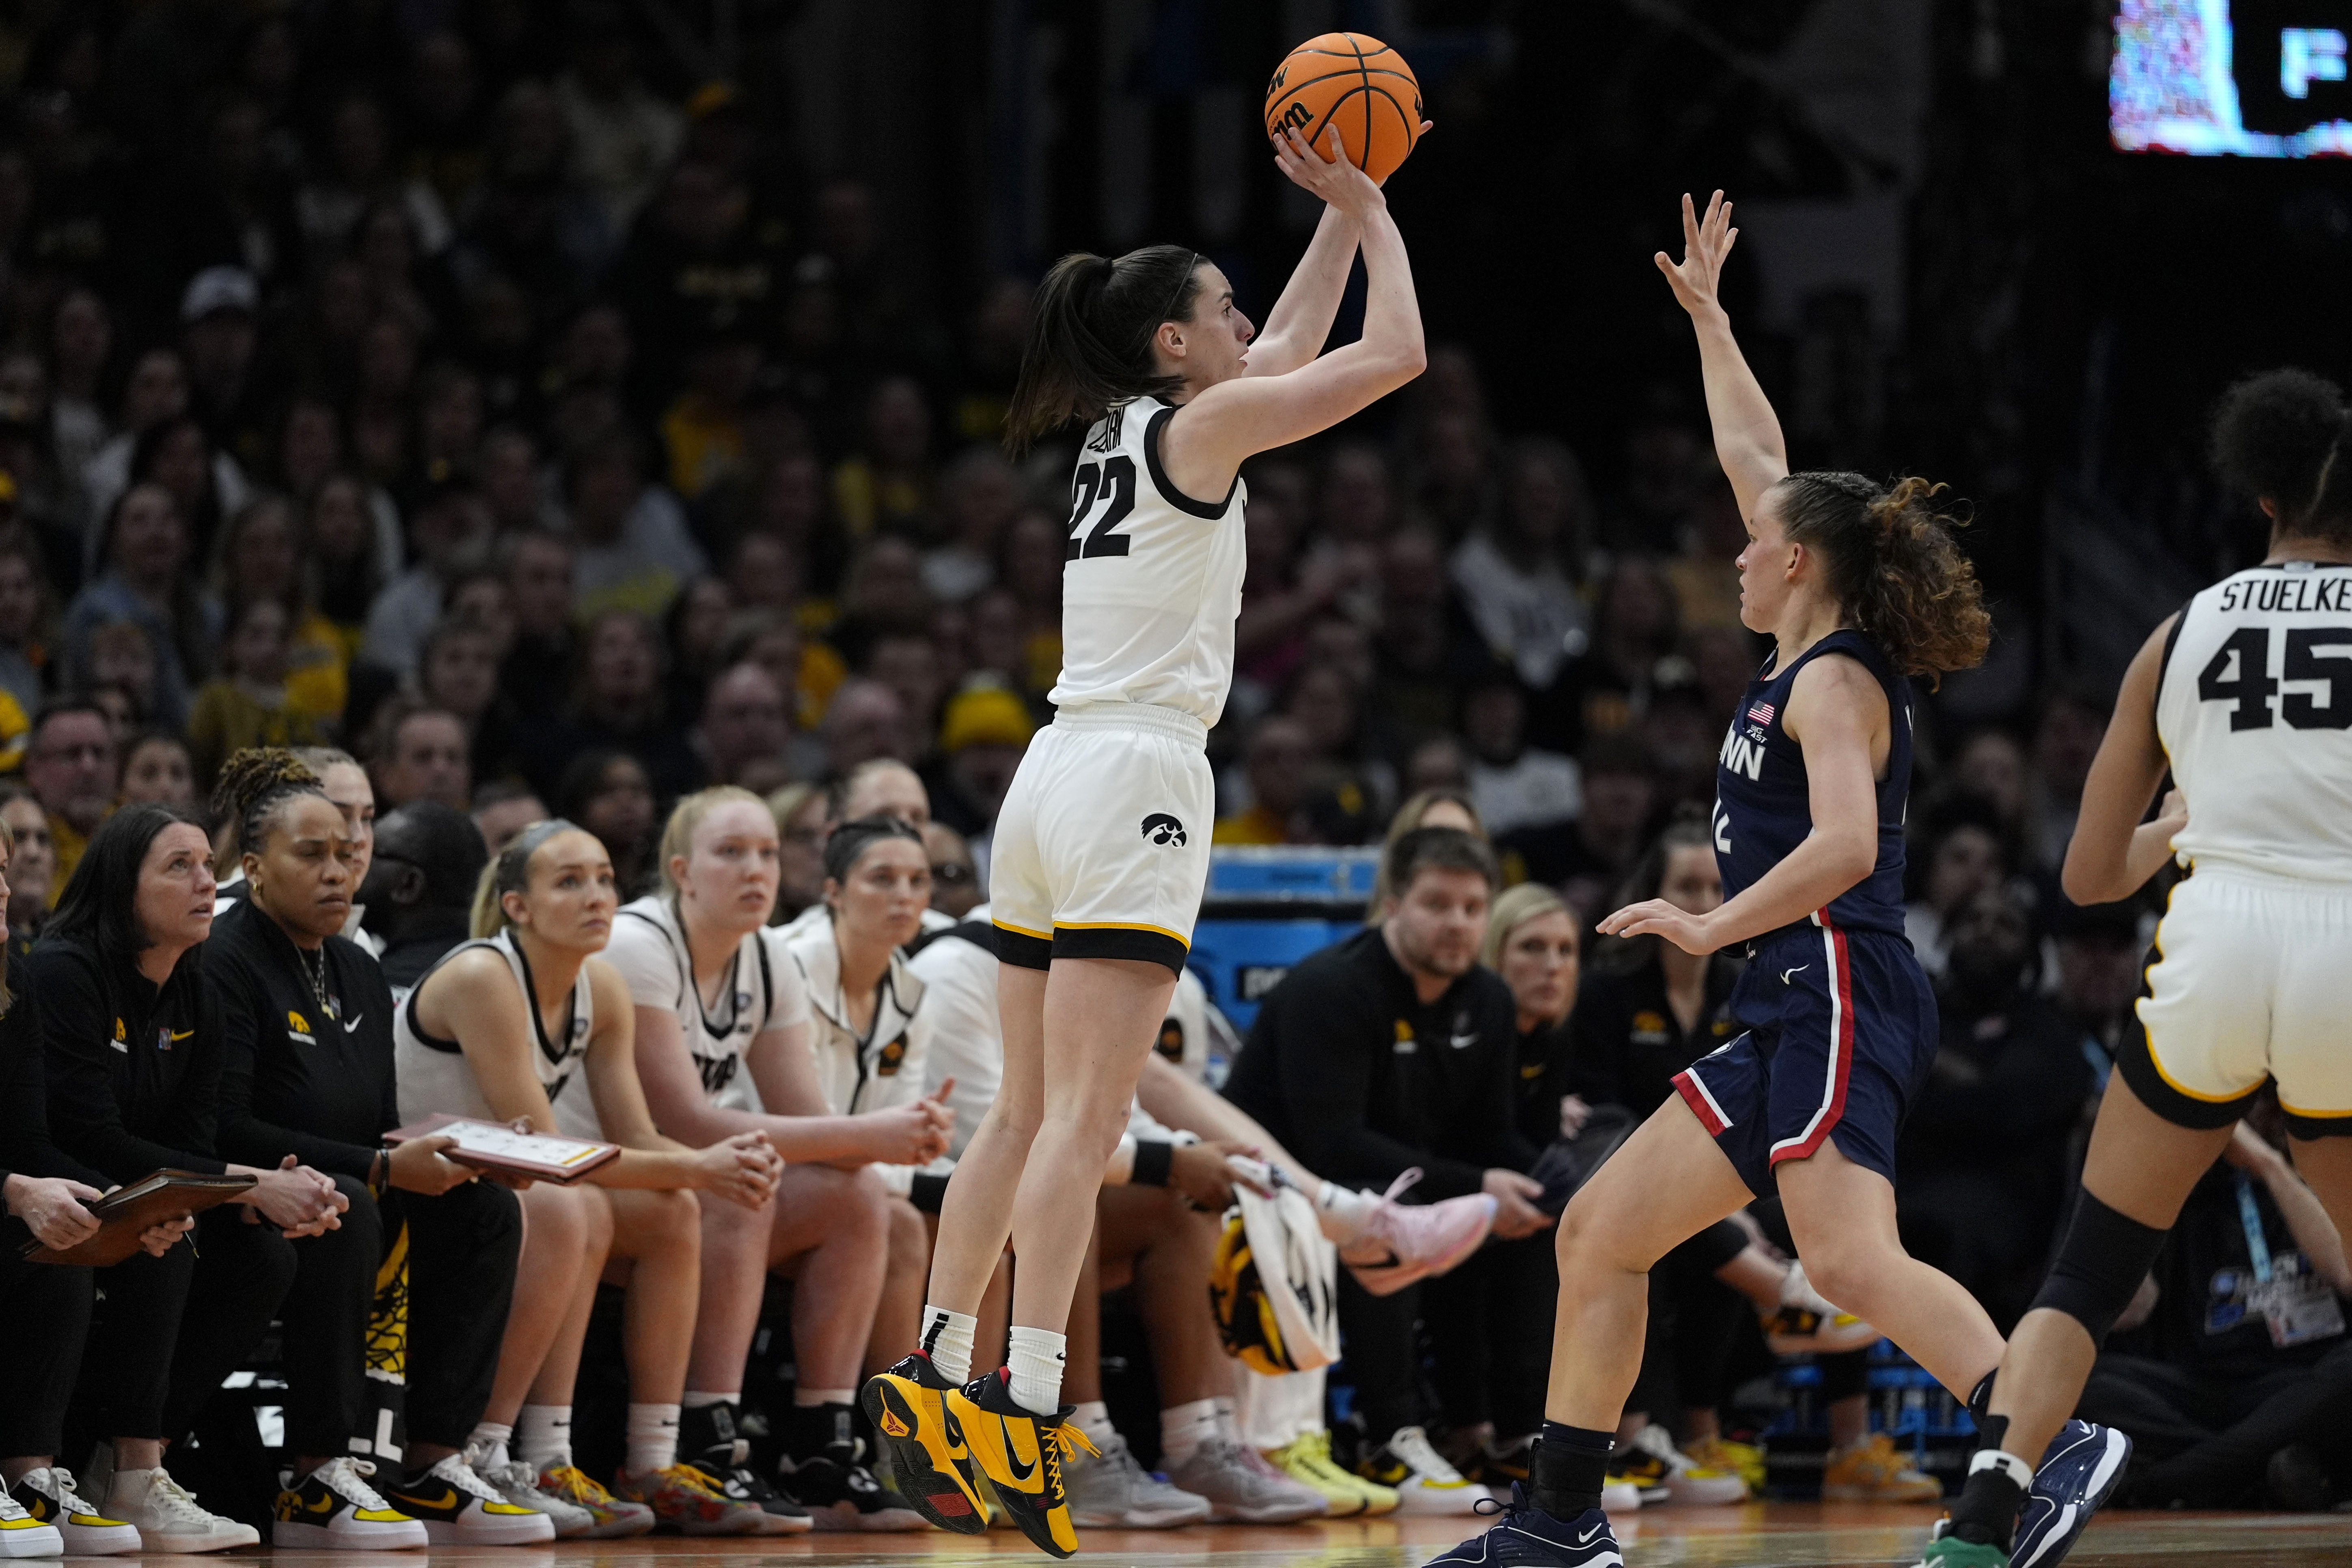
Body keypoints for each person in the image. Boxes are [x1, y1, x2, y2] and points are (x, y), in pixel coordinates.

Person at [1429, 192, 2105, 1568]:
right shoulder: (1807, 634)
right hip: (1791, 999)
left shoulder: (1840, 681)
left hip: (1837, 982)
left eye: (1752, 539)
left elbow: (1848, 848)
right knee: (1604, 1230)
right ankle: (1557, 1524)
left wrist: (1706, 922)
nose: (1731, 547)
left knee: (1847, 1260)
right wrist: (1710, 319)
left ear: (1795, 562)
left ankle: (2040, 1441)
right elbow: (1759, 454)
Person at [867, 115, 1433, 1556]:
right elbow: (1385, 362)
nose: (1244, 322)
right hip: (1135, 780)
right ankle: (1032, 1402)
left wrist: (1332, 214)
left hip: (1049, 775)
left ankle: (941, 1367)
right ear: (1173, 345)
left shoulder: (1133, 426)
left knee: (1015, 1112)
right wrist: (1373, 216)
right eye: (1221, 309)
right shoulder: (1202, 421)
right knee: (1078, 1120)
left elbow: (1289, 342)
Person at [1935, 369, 2352, 1565]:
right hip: (2340, 949)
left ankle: (1978, 1526)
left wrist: (2183, 822)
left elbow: (2084, 882)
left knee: (2085, 1265)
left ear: (2260, 494)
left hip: (2212, 941)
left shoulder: (2183, 630)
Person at [391, 819, 784, 1536]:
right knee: (577, 1209)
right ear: (517, 905)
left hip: (497, 1191)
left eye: (604, 877)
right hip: (414, 1188)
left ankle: (644, 1460)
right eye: (568, 881)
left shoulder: (598, 986)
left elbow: (634, 1135)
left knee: (670, 1210)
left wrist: (711, 1170)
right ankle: (483, 1450)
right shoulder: (483, 974)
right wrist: (701, 1164)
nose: (597, 895)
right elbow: (544, 1152)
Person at [203, 749, 546, 1546]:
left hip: (356, 1181)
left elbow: (377, 1119)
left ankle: (431, 1460)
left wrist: (457, 1149)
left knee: (485, 1207)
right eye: (311, 854)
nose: (337, 871)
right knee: (351, 1202)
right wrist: (383, 1166)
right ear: (253, 866)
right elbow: (225, 1125)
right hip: (252, 1200)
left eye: (348, 854)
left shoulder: (359, 967)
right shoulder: (224, 961)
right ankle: (314, 1473)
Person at [906, 893, 1330, 1528]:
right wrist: (1170, 1158)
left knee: (1183, 1203)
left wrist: (1187, 1158)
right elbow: (989, 1135)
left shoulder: (1110, 958)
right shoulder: (955, 969)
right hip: (941, 1207)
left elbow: (1130, 1103)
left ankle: (1204, 1440)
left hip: (1004, 1196)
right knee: (1068, 1191)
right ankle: (1072, 1437)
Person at [613, 788, 942, 1529]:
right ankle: (706, 1440)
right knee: (737, 1179)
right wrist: (874, 1131)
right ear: (682, 871)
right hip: (611, 1170)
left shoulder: (763, 955)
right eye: (730, 853)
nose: (755, 870)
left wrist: (882, 1139)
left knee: (857, 1194)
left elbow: (807, 1121)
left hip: (684, 1176)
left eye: (765, 852)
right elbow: (685, 1122)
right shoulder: (640, 943)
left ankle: (821, 1443)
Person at [29, 805, 349, 1552]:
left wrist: (235, 1193)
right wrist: (247, 1184)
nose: (208, 881)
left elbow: (194, 1140)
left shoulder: (198, 986)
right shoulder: (64, 969)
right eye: (180, 866)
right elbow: (85, 1134)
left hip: (136, 1192)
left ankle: (131, 1463)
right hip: (56, 1184)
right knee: (163, 1230)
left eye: (209, 864)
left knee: (264, 1254)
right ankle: (126, 1472)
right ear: (122, 885)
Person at [1557, 825, 1902, 1506]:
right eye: (1687, 886)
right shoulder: (1607, 988)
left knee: (1826, 1215)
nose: (1704, 899)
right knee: (1663, 1232)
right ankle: (1709, 1405)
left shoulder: (1743, 983)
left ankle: (1850, 1444)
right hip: (1621, 1161)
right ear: (1650, 894)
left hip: (1726, 1174)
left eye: (1717, 887)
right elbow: (1599, 1112)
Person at [1220, 827, 1530, 1513]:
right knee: (1379, 1220)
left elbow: (1492, 1135)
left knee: (1545, 1231)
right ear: (1392, 904)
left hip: (1402, 1187)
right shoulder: (1330, 987)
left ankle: (1506, 1435)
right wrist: (1477, 1186)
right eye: (1436, 903)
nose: (1456, 922)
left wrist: (1549, 1187)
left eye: (1473, 907)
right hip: (1271, 1197)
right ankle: (1388, 1434)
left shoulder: (1489, 999)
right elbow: (1334, 1146)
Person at [0, 811, 180, 1557]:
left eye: (2, 870)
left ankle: (29, 1475)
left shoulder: (12, 973)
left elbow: (32, 1141)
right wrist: (17, 1190)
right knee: (32, 1217)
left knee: (70, 1239)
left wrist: (121, 1204)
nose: (1, 888)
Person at [777, 819, 954, 1387]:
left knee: (982, 1237)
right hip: (769, 1171)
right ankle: (894, 1445)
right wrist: (903, 1149)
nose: (904, 894)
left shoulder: (912, 994)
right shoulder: (791, 969)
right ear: (832, 891)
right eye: (882, 878)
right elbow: (795, 1128)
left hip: (853, 1185)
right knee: (900, 1219)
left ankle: (955, 1429)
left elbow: (895, 1147)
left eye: (917, 880)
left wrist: (920, 1140)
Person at [359, 801, 490, 990]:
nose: (355, 866)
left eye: (371, 852)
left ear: (408, 885)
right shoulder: (501, 970)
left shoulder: (376, 990)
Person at [22, 703, 116, 901]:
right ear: (34, 770)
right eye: (71, 754)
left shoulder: (144, 848)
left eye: (100, 753)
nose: (89, 767)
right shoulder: (9, 850)